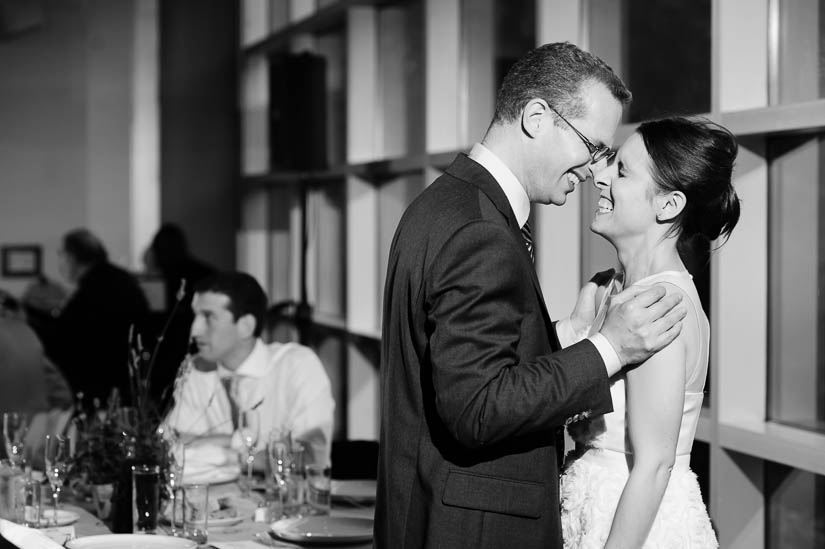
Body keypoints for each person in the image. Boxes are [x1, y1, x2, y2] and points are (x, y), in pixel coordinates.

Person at [376, 42, 687, 548]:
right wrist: (609, 348)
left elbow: (462, 360)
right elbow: (476, 408)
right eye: (592, 147)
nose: (594, 170)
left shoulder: (446, 204)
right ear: (537, 116)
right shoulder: (479, 230)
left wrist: (557, 336)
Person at [560, 117, 739, 548]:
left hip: (635, 528)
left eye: (621, 171)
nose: (599, 177)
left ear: (668, 205)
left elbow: (654, 465)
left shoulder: (659, 305)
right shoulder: (612, 291)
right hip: (592, 511)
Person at [163, 271, 335, 481]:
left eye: (209, 317)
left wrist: (230, 448)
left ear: (245, 326)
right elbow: (169, 447)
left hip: (286, 506)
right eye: (195, 316)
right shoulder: (196, 368)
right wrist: (250, 449)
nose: (195, 330)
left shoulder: (296, 365)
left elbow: (310, 458)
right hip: (219, 505)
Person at [50, 228, 149, 409]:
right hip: (126, 379)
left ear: (73, 257)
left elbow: (67, 336)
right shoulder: (118, 278)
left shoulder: (95, 287)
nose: (60, 262)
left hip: (103, 386)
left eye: (61, 254)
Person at [142, 223, 217, 410]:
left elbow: (149, 318)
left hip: (164, 346)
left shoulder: (156, 278)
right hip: (191, 345)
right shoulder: (205, 273)